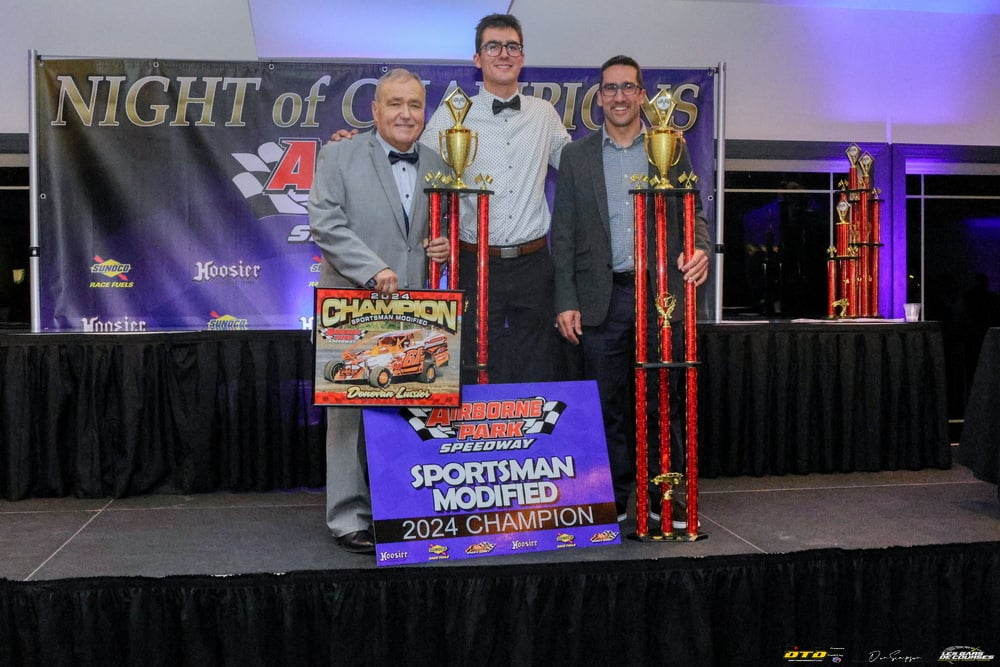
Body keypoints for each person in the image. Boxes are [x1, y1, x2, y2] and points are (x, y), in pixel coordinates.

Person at [550, 55, 711, 529]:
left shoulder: (671, 146)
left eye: (627, 87)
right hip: (600, 298)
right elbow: (563, 234)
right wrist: (565, 298)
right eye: (609, 88)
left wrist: (700, 249)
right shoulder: (576, 157)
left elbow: (693, 214)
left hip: (660, 296)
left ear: (642, 94)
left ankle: (666, 496)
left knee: (663, 402)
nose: (619, 96)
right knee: (607, 405)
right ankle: (618, 495)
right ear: (598, 97)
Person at [308, 68, 450, 553]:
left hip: (416, 311)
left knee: (407, 410)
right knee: (348, 418)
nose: (405, 113)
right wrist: (372, 269)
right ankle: (347, 515)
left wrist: (443, 247)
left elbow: (442, 229)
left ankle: (399, 508)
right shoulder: (338, 154)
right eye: (394, 103)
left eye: (413, 104)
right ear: (374, 110)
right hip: (353, 304)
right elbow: (325, 223)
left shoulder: (438, 163)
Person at [420, 13, 571, 385]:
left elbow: (579, 170)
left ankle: (533, 442)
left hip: (534, 262)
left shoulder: (544, 115)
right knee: (469, 359)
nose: (503, 53)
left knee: (537, 362)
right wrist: (359, 146)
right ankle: (475, 439)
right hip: (473, 260)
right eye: (493, 46)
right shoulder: (452, 116)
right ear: (478, 59)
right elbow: (417, 173)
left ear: (522, 56)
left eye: (512, 46)